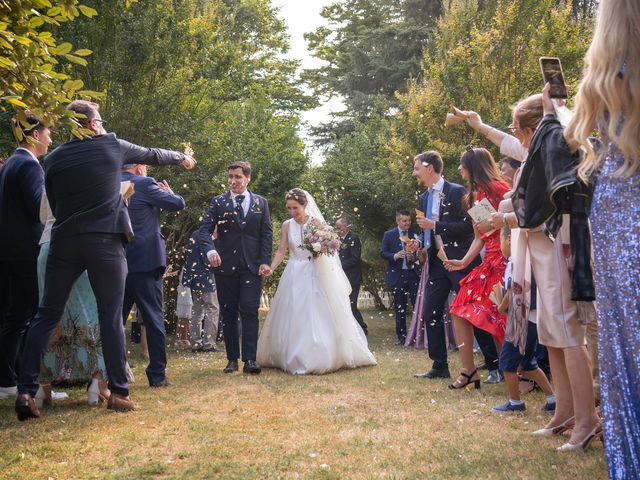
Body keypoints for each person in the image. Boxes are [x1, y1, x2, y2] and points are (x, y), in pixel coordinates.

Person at [14, 100, 196, 420]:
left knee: (46, 315)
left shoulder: (53, 158)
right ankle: (120, 393)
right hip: (106, 242)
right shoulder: (111, 145)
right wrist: (182, 156)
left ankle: (26, 391)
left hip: (65, 242)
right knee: (110, 316)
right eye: (99, 118)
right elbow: (152, 154)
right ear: (92, 123)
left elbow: (54, 205)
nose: (102, 122)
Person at [482, 91, 598, 452]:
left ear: (532, 128)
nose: (513, 134)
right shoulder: (536, 153)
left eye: (516, 127)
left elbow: (545, 208)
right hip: (539, 254)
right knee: (551, 333)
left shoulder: (556, 150)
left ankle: (586, 420)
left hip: (558, 248)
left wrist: (501, 219)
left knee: (568, 333)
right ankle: (563, 411)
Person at [565, 0, 639, 474]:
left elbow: (577, 135)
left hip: (619, 209)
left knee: (623, 342)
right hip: (618, 214)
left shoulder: (608, 73)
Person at [256, 188, 377, 374]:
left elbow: (329, 250)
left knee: (315, 311)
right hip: (294, 271)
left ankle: (318, 353)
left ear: (305, 205)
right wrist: (271, 267)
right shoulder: (287, 225)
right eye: (289, 208)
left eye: (295, 207)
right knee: (293, 311)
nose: (292, 212)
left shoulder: (317, 223)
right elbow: (282, 250)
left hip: (314, 271)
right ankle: (289, 354)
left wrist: (320, 249)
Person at [410, 151, 500, 381]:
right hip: (437, 263)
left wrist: (436, 225)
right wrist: (419, 242)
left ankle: (494, 366)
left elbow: (476, 227)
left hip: (462, 261)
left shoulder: (459, 192)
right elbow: (426, 230)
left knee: (473, 314)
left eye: (417, 168)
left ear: (429, 168)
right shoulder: (422, 198)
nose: (414, 173)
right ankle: (439, 365)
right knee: (430, 311)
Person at [443, 147, 510, 389]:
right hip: (487, 261)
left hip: (505, 260)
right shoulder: (474, 196)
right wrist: (463, 261)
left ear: (472, 167)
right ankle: (468, 370)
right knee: (459, 308)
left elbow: (513, 226)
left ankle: (524, 372)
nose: (459, 169)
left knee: (504, 317)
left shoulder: (500, 190)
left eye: (462, 164)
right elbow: (480, 237)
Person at [36, 193, 110, 406]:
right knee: (92, 313)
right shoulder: (92, 173)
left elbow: (43, 216)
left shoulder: (52, 169)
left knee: (49, 317)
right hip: (79, 248)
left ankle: (43, 388)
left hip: (47, 247)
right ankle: (97, 383)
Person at [198, 161, 272, 375]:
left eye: (238, 177)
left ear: (247, 178)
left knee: (249, 310)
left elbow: (266, 234)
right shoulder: (218, 202)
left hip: (251, 266)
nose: (233, 181)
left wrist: (265, 261)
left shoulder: (261, 203)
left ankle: (250, 359)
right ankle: (232, 359)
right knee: (229, 312)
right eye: (230, 176)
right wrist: (211, 251)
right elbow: (205, 230)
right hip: (225, 266)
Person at [0, 112, 51, 400]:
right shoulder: (30, 166)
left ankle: (9, 378)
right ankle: (28, 382)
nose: (50, 139)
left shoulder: (11, 162)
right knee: (32, 315)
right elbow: (40, 208)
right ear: (34, 135)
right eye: (47, 133)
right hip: (26, 251)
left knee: (16, 316)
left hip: (9, 250)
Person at [121, 163, 185, 387]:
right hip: (144, 263)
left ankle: (112, 374)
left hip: (115, 262)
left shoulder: (107, 184)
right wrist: (170, 193)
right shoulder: (145, 184)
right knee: (153, 318)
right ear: (139, 168)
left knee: (113, 322)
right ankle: (157, 375)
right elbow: (177, 204)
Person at [490, 226, 555, 413]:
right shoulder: (529, 258)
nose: (500, 245)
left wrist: (501, 307)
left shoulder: (515, 261)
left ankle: (515, 402)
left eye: (500, 240)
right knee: (528, 363)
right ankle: (553, 399)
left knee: (507, 361)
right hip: (533, 315)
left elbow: (512, 292)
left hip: (521, 316)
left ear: (510, 239)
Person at [380, 210, 421, 345]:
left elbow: (420, 254)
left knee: (417, 305)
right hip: (398, 276)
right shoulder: (389, 234)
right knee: (400, 307)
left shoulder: (415, 234)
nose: (407, 223)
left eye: (409, 220)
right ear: (397, 221)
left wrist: (413, 257)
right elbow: (383, 253)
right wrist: (394, 256)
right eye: (404, 221)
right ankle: (402, 337)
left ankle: (418, 335)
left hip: (413, 274)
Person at [181, 229, 221, 352]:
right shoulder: (207, 236)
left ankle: (196, 342)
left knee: (197, 310)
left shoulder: (195, 233)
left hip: (194, 277)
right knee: (212, 308)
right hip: (206, 277)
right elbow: (207, 257)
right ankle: (209, 343)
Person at [336, 217, 368, 335]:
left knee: (352, 304)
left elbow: (355, 259)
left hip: (352, 277)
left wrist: (339, 265)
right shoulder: (336, 239)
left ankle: (362, 327)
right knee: (343, 304)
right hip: (340, 278)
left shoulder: (354, 239)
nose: (337, 229)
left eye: (339, 227)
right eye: (336, 227)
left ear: (346, 227)